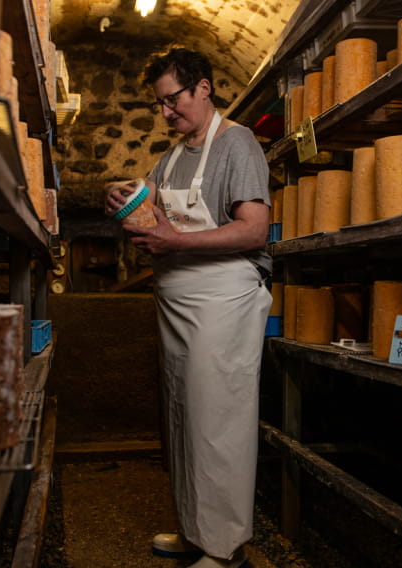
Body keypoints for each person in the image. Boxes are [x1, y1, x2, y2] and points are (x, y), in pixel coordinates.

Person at [104, 48, 272, 568]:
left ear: (203, 87)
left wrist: (174, 244)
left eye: (172, 99)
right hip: (177, 300)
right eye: (158, 104)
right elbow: (148, 205)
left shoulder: (237, 143)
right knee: (183, 417)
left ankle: (224, 551)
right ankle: (197, 531)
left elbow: (253, 229)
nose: (166, 112)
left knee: (217, 420)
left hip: (223, 298)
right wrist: (123, 196)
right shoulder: (172, 156)